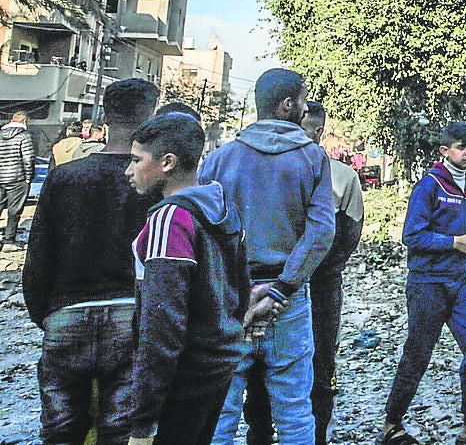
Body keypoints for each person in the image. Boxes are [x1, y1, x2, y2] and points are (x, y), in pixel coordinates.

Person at [23, 79, 161, 445]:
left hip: (66, 315)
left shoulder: (65, 177)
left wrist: (48, 314)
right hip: (131, 318)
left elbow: (38, 259)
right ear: (151, 119)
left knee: (61, 431)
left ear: (104, 116)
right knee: (119, 431)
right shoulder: (155, 186)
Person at [202, 68, 336, 445]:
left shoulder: (220, 159)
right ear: (288, 104)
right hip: (286, 300)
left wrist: (232, 288)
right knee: (294, 409)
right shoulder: (312, 159)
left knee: (222, 412)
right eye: (304, 98)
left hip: (232, 299)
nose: (306, 106)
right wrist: (282, 288)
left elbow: (203, 231)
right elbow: (321, 231)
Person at [124, 113, 258, 445]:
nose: (129, 171)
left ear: (167, 162)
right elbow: (241, 290)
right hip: (217, 366)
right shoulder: (223, 205)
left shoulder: (170, 219)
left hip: (180, 378)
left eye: (136, 160)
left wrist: (142, 419)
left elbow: (161, 326)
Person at [243, 101, 365, 445]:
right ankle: (260, 435)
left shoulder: (342, 176)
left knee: (319, 368)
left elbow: (345, 241)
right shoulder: (262, 167)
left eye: (307, 130)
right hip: (269, 286)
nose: (298, 137)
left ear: (318, 131)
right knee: (259, 373)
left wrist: (305, 273)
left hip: (319, 288)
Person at [379, 122, 466, 445]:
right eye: (461, 147)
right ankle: (391, 426)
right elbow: (412, 235)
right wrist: (453, 242)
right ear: (444, 152)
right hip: (427, 282)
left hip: (461, 280)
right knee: (418, 353)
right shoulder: (429, 185)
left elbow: (459, 228)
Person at [1, 110, 37, 248]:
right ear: (25, 121)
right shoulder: (24, 136)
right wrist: (29, 177)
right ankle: (9, 239)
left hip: (1, 177)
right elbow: (28, 158)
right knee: (14, 211)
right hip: (17, 179)